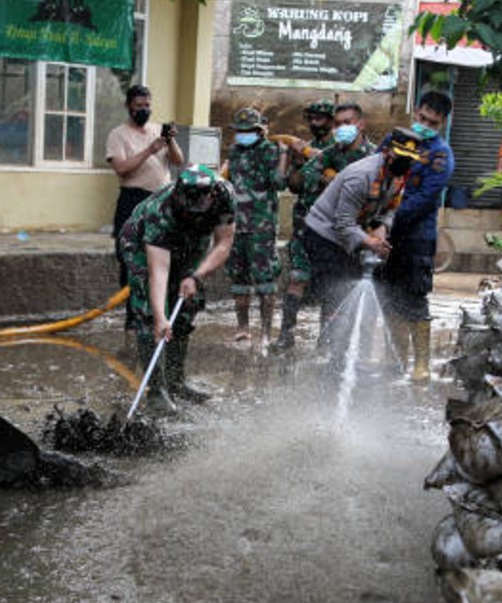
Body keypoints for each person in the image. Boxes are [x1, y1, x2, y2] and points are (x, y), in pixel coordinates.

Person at [120, 164, 236, 413]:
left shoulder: (224, 195)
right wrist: (161, 318)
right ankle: (156, 391)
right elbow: (158, 271)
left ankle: (176, 381)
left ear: (212, 195)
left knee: (185, 308)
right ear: (180, 195)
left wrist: (196, 276)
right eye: (188, 203)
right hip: (141, 244)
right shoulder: (159, 210)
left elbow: (224, 243)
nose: (193, 207)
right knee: (149, 316)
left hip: (192, 242)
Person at [302, 128, 422, 363]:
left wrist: (382, 229)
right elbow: (343, 223)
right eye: (401, 156)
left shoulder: (400, 177)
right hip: (323, 233)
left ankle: (344, 349)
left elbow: (390, 210)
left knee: (349, 285)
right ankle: (332, 352)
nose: (405, 162)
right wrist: (370, 242)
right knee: (338, 286)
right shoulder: (362, 175)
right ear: (387, 152)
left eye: (410, 159)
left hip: (353, 231)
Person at [273, 101, 376, 352]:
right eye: (313, 118)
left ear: (360, 124)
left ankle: (328, 339)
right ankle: (286, 335)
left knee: (334, 287)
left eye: (345, 123)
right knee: (298, 278)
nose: (341, 128)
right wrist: (298, 159)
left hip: (345, 233)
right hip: (308, 226)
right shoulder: (327, 152)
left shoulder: (372, 156)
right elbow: (297, 183)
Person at [377, 91, 455, 382]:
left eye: (431, 122)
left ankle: (422, 364)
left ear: (442, 123)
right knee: (388, 298)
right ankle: (396, 361)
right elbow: (375, 173)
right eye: (421, 118)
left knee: (414, 297)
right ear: (415, 112)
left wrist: (389, 221)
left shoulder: (441, 155)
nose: (424, 124)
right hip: (382, 232)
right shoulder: (394, 141)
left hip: (416, 236)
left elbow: (423, 198)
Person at [106, 84, 184, 334]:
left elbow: (178, 162)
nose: (144, 110)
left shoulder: (157, 130)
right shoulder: (118, 135)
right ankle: (133, 316)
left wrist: (169, 141)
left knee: (164, 257)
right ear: (129, 106)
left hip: (161, 200)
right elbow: (121, 168)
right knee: (130, 259)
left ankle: (160, 313)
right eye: (139, 106)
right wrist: (150, 149)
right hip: (132, 200)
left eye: (147, 105)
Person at [220, 107, 290, 346]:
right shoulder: (235, 152)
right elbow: (227, 183)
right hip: (235, 225)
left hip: (262, 227)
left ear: (260, 131)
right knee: (238, 278)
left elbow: (279, 184)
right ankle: (242, 328)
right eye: (239, 131)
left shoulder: (271, 151)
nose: (243, 134)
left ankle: (266, 333)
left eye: (248, 130)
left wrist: (282, 157)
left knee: (265, 281)